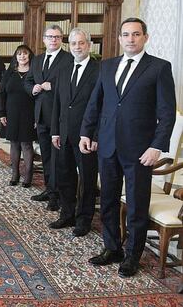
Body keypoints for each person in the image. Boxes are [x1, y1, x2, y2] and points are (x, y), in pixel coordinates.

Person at [80, 18, 176, 277]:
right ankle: (112, 248)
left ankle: (133, 255)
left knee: (136, 205)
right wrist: (86, 132)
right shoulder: (107, 66)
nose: (130, 39)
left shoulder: (159, 68)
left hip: (140, 151)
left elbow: (167, 113)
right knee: (108, 200)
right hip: (107, 145)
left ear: (145, 37)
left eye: (135, 34)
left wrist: (156, 146)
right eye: (126, 34)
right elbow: (95, 103)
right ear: (120, 38)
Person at [50, 28, 100, 237]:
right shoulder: (63, 69)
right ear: (68, 46)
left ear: (89, 45)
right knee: (65, 175)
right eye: (73, 43)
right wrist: (55, 131)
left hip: (86, 137)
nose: (77, 47)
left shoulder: (99, 70)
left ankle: (84, 219)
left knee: (87, 180)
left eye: (81, 43)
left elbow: (103, 107)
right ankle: (67, 214)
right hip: (64, 133)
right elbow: (58, 103)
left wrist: (95, 136)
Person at [25, 25, 73, 211]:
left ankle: (58, 194)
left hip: (59, 116)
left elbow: (71, 85)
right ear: (44, 39)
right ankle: (49, 188)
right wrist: (33, 88)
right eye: (50, 37)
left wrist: (53, 86)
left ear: (62, 40)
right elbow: (28, 81)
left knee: (58, 157)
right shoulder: (37, 60)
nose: (53, 40)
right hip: (41, 115)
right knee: (45, 155)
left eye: (57, 37)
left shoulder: (68, 59)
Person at [0, 45, 37, 187]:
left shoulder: (35, 73)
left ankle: (28, 176)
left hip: (29, 114)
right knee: (14, 143)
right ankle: (15, 174)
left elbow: (39, 97)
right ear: (16, 56)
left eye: (25, 54)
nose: (22, 56)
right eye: (19, 54)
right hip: (11, 113)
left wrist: (37, 117)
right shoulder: (10, 73)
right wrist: (2, 113)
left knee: (26, 144)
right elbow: (2, 93)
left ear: (29, 56)